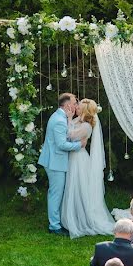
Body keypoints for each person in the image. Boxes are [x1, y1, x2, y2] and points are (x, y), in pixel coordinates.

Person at [60, 98, 115, 238]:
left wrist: (69, 119)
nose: (76, 107)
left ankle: (80, 218)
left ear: (84, 111)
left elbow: (69, 136)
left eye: (79, 107)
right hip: (74, 156)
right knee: (73, 186)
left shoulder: (86, 126)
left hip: (79, 159)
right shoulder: (79, 121)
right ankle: (72, 216)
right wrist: (71, 119)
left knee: (78, 186)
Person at [38, 92, 86, 236]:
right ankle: (54, 226)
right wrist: (79, 145)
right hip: (55, 162)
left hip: (55, 160)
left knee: (56, 193)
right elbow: (61, 144)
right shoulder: (59, 120)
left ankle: (57, 222)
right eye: (74, 102)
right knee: (55, 194)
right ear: (67, 105)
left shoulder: (61, 117)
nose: (76, 105)